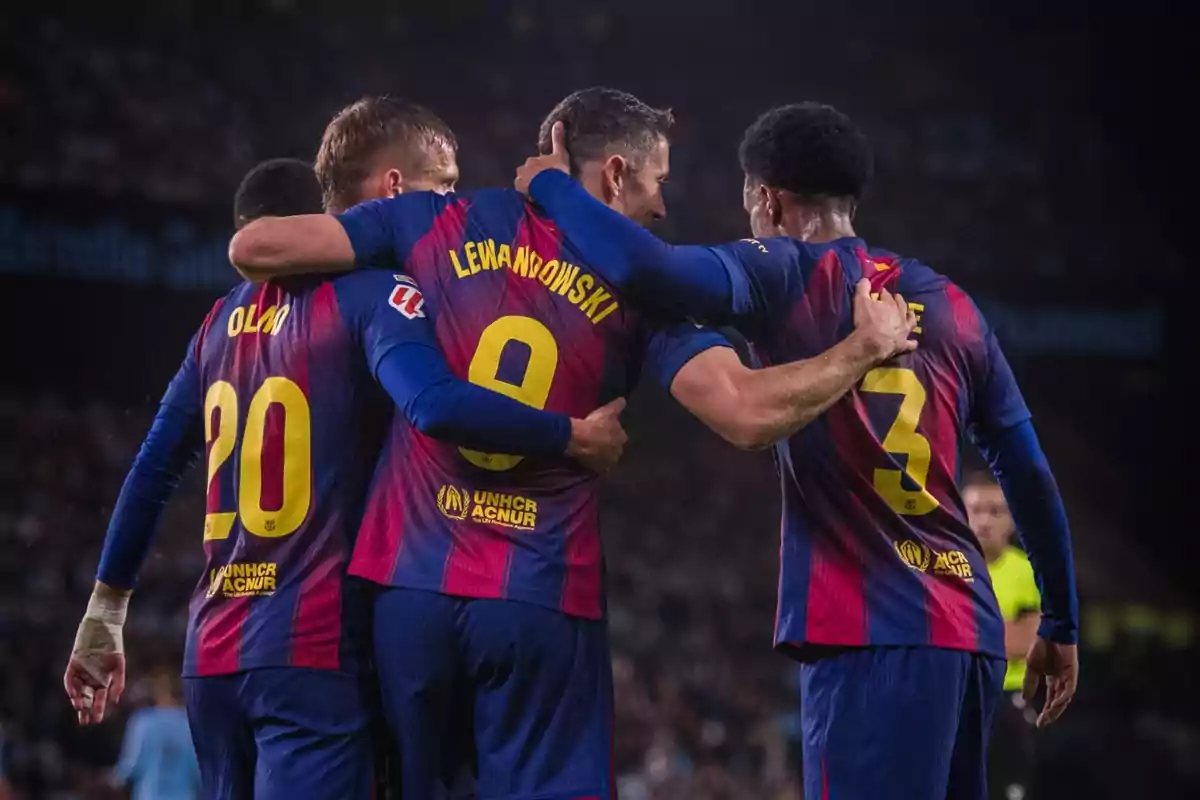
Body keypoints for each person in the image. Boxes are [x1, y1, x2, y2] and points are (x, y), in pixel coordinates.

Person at [228, 88, 916, 800]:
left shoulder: (437, 218)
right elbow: (747, 414)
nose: (662, 207)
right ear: (616, 175)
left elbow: (262, 247)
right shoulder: (643, 292)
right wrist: (860, 350)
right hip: (538, 597)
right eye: (657, 182)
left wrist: (392, 281)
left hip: (407, 590)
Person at [514, 100, 1079, 800]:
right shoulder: (955, 305)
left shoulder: (785, 272)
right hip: (970, 636)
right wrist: (1061, 620)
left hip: (874, 631)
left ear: (767, 199)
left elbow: (646, 270)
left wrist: (548, 183)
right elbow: (1027, 472)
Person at [63, 157, 626, 800]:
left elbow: (153, 469)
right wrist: (568, 434)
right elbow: (435, 404)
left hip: (213, 654)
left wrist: (105, 612)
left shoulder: (213, 326)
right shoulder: (368, 295)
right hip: (312, 648)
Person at [966, 472, 1041, 800]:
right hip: (956, 695)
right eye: (976, 509)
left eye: (996, 511)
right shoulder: (943, 569)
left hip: (1007, 697)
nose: (985, 520)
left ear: (1011, 520)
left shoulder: (1027, 572)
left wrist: (962, 628)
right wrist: (998, 626)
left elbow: (1022, 643)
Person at [112, 668, 200, 800]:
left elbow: (129, 768)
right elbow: (199, 773)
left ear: (158, 693)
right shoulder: (192, 725)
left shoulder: (142, 722)